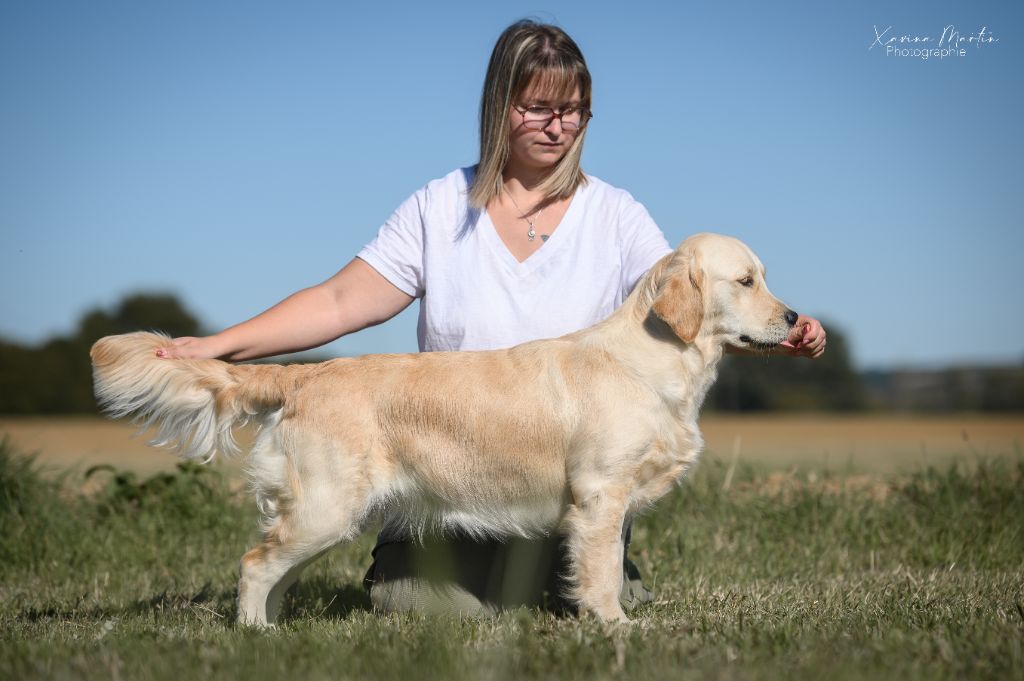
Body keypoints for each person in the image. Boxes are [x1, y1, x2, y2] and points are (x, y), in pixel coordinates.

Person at [159, 19, 826, 616]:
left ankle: (590, 586)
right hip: (446, 491)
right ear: (498, 108)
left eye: (572, 110)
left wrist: (778, 339)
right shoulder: (439, 206)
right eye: (537, 106)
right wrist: (219, 348)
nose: (556, 125)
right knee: (418, 610)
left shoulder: (617, 214)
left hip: (570, 495)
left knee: (583, 594)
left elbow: (690, 314)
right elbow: (338, 301)